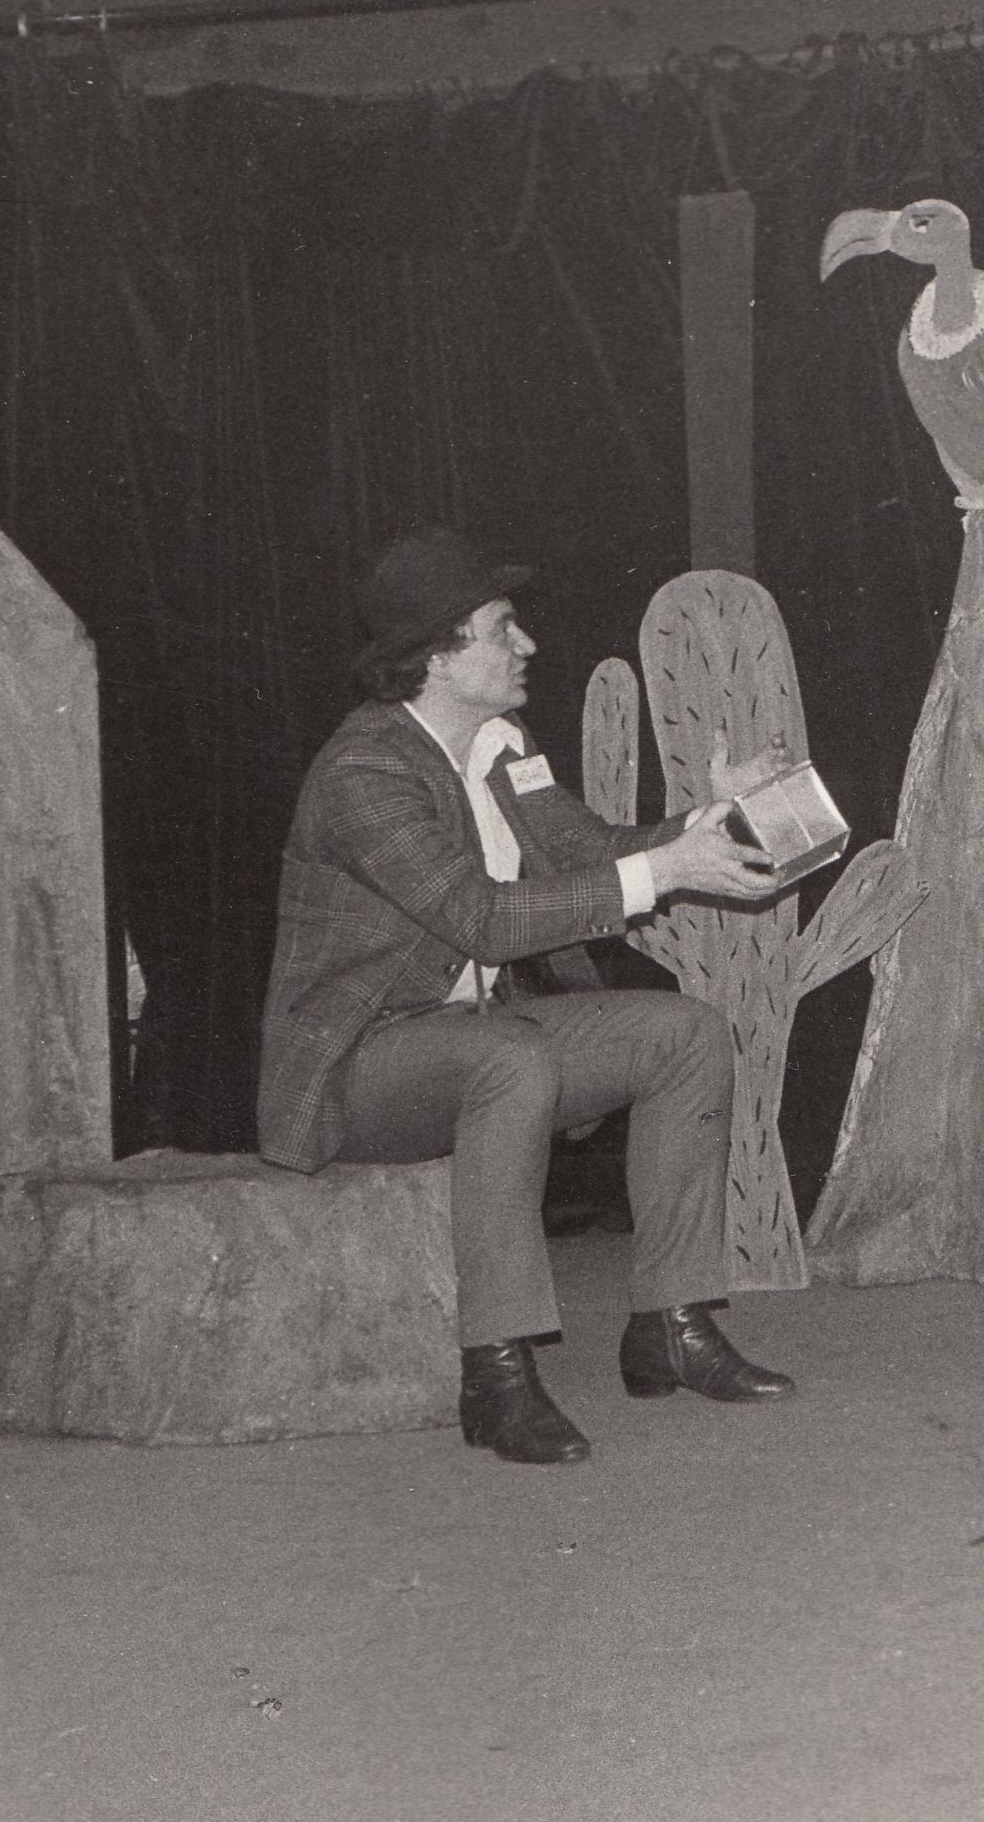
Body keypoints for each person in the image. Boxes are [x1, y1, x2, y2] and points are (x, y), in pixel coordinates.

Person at [258, 524, 792, 1463]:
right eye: (503, 627)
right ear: (436, 654)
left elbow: (593, 855)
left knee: (686, 1032)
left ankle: (672, 1322)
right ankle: (496, 1371)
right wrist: (670, 868)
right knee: (508, 1054)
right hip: (360, 1064)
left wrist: (711, 821)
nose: (528, 644)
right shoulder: (363, 772)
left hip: (478, 1034)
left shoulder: (502, 747)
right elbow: (483, 920)